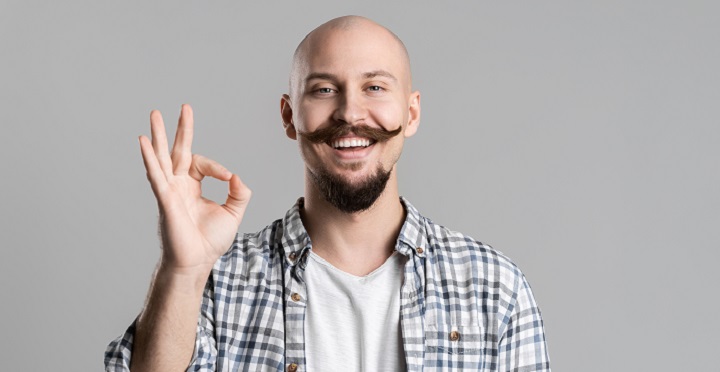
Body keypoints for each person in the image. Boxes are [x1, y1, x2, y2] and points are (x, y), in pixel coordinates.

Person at [105, 15, 550, 372]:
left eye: (375, 87)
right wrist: (182, 271)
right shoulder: (219, 284)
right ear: (288, 115)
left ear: (411, 113)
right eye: (323, 90)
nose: (351, 112)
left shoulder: (495, 289)